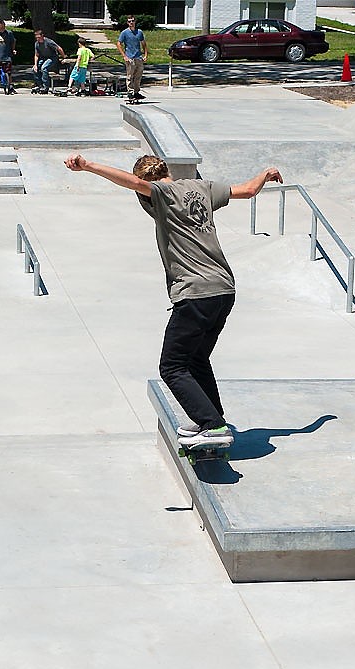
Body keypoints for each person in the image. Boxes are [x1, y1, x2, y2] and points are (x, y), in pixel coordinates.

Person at [63, 153, 283, 448]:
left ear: (147, 181)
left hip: (195, 293)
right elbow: (247, 191)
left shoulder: (160, 193)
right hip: (224, 290)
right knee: (197, 358)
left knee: (172, 366)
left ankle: (214, 426)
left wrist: (88, 165)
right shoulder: (202, 188)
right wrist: (266, 173)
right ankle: (211, 416)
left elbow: (129, 182)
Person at [117, 16, 147, 100]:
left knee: (138, 76)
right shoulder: (124, 33)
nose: (131, 23)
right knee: (130, 76)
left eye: (132, 21)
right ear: (127, 23)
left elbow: (143, 43)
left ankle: (136, 92)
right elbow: (119, 44)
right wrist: (124, 56)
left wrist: (145, 54)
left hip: (138, 57)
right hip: (130, 57)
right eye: (129, 21)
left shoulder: (139, 32)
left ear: (135, 22)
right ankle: (130, 92)